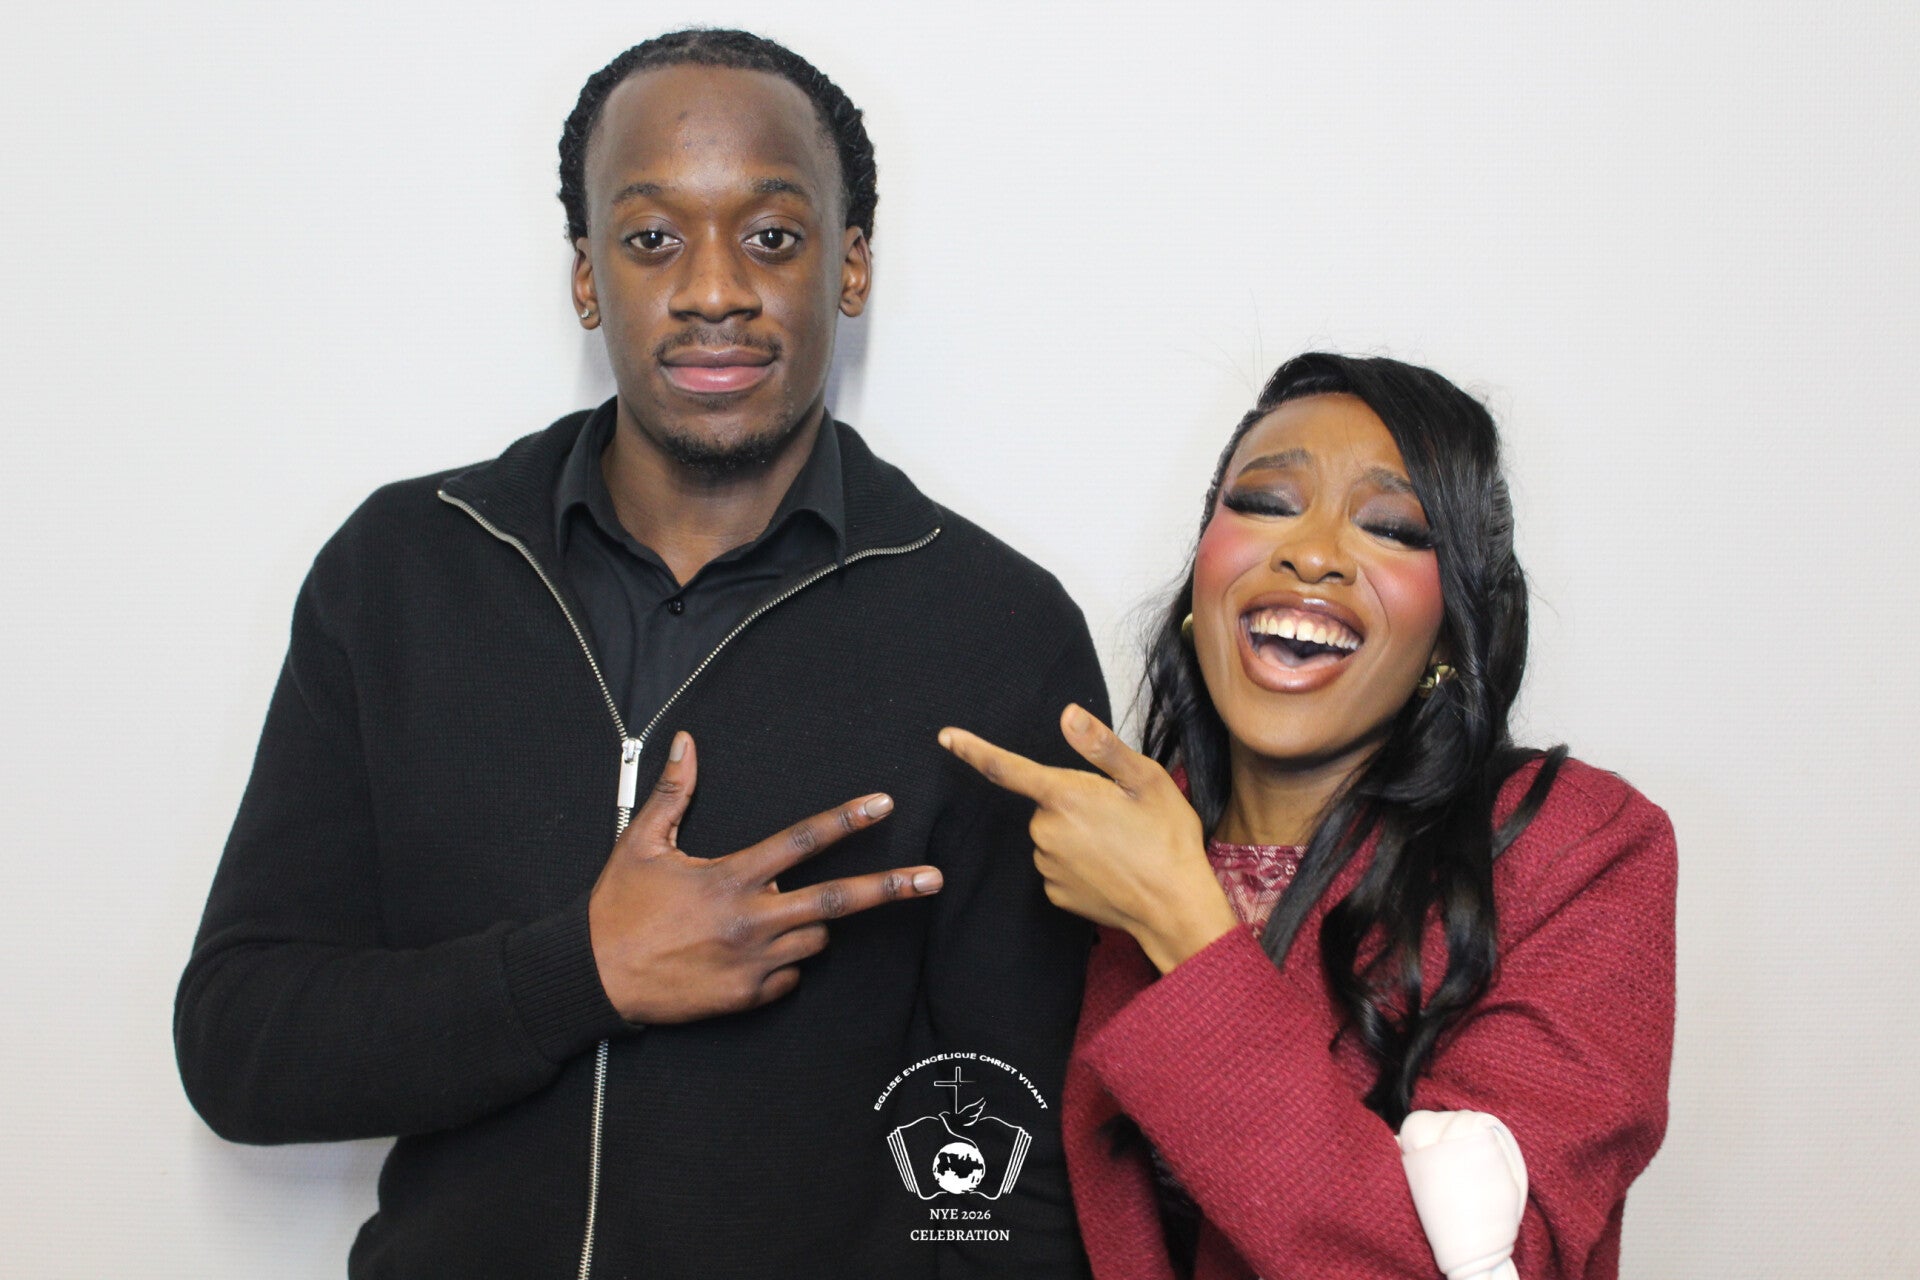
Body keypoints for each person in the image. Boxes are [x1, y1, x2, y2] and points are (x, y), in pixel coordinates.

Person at [174, 29, 1104, 1279]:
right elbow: (240, 1047)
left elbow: (1016, 1158)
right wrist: (585, 969)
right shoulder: (401, 572)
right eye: (654, 236)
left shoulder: (993, 630)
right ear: (586, 276)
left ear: (850, 265)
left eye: (771, 235)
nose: (714, 288)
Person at [941, 353, 1675, 1279]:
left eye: (1392, 525)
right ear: (1203, 578)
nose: (1313, 552)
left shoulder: (1580, 851)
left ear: (1451, 627)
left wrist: (1183, 925)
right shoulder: (1096, 848)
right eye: (1265, 504)